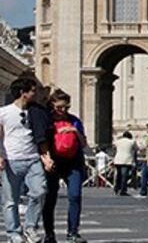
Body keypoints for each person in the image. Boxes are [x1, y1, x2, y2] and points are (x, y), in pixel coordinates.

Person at [0, 77, 54, 243]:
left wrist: (46, 158)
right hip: (12, 160)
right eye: (33, 90)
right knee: (10, 201)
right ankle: (13, 233)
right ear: (23, 93)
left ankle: (30, 227)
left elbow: (41, 137)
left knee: (40, 191)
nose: (36, 93)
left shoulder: (37, 111)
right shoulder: (4, 112)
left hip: (32, 159)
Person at [42, 89, 88, 243]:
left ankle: (73, 232)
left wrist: (75, 131)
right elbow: (42, 143)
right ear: (52, 105)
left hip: (73, 162)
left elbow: (84, 144)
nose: (63, 111)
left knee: (75, 196)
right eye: (59, 107)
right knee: (50, 198)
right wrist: (46, 160)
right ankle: (49, 233)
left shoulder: (74, 120)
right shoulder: (47, 120)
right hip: (53, 162)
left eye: (66, 107)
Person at [113, 131, 137, 196]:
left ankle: (116, 188)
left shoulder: (118, 141)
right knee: (124, 176)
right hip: (127, 160)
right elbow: (136, 149)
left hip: (118, 159)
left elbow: (114, 148)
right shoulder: (132, 142)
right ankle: (123, 190)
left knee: (118, 175)